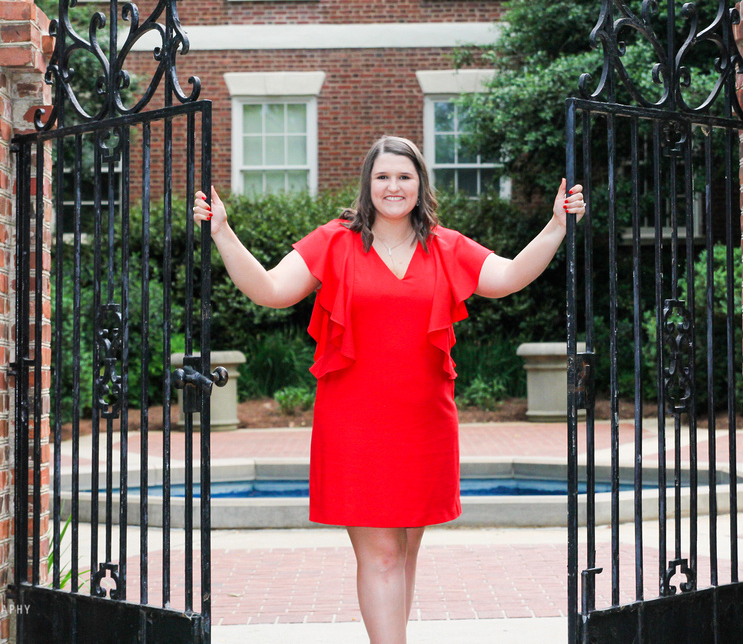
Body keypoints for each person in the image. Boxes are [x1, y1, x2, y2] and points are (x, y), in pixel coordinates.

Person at [193, 135, 585, 644]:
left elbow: (508, 276)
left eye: (404, 176)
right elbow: (269, 289)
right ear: (367, 184)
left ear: (420, 183)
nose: (393, 186)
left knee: (403, 553)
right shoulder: (334, 241)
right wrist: (222, 232)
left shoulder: (445, 245)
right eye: (383, 176)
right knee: (379, 555)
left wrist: (556, 226)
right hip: (355, 423)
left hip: (425, 423)